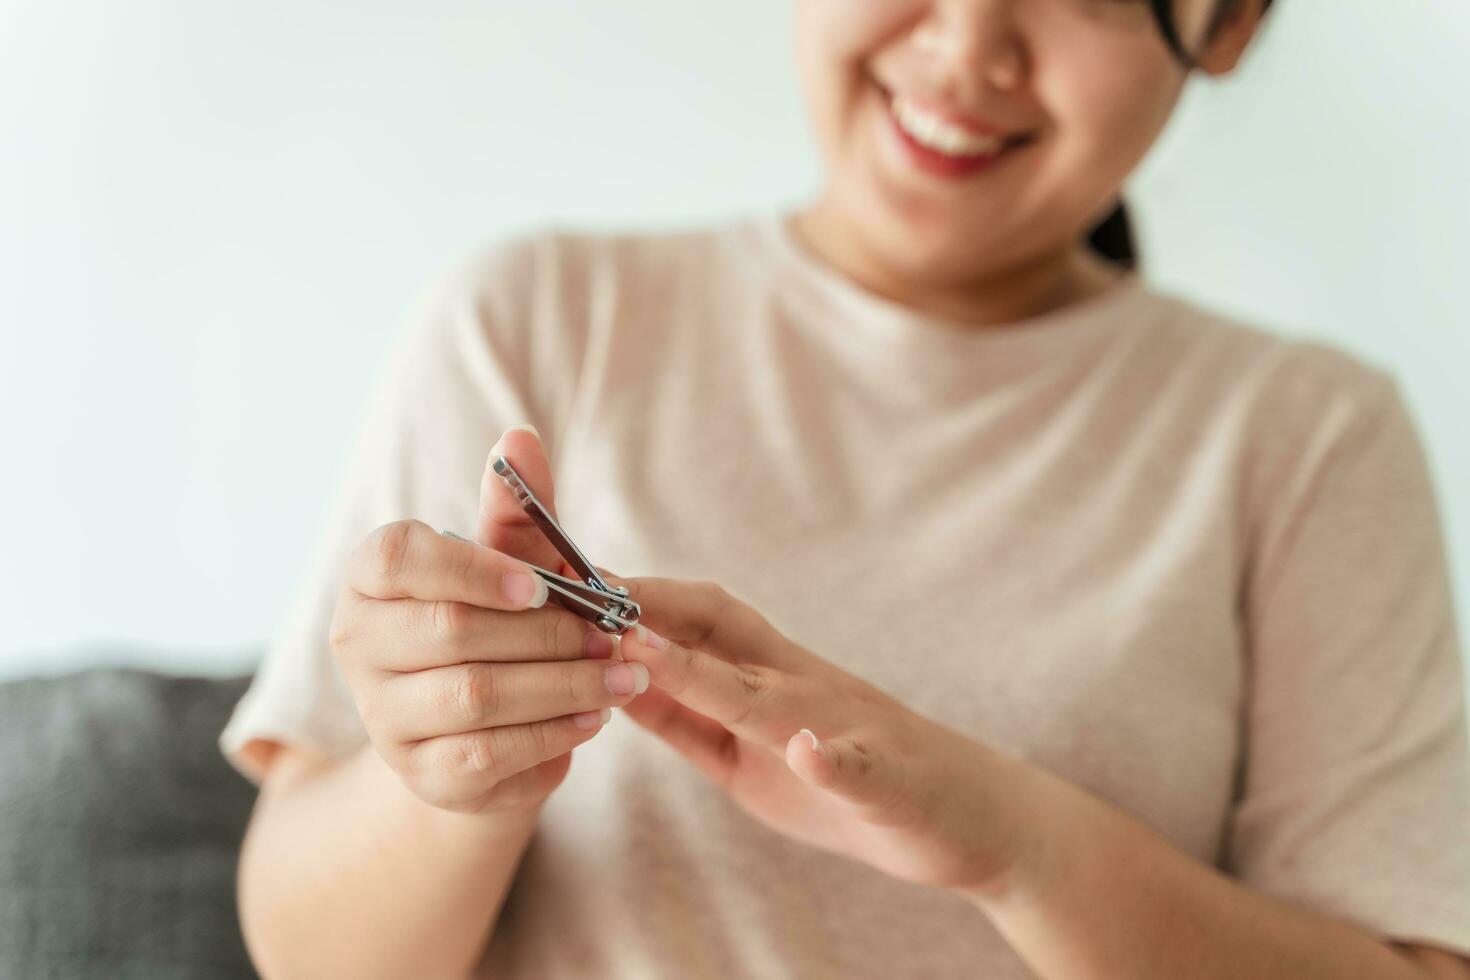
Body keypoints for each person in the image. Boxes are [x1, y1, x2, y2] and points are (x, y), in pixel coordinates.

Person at [220, 1, 1470, 976]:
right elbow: (310, 948)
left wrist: (1016, 844)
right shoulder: (540, 321)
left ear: (1231, 24)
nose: (965, 46)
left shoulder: (1309, 434)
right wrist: (458, 779)